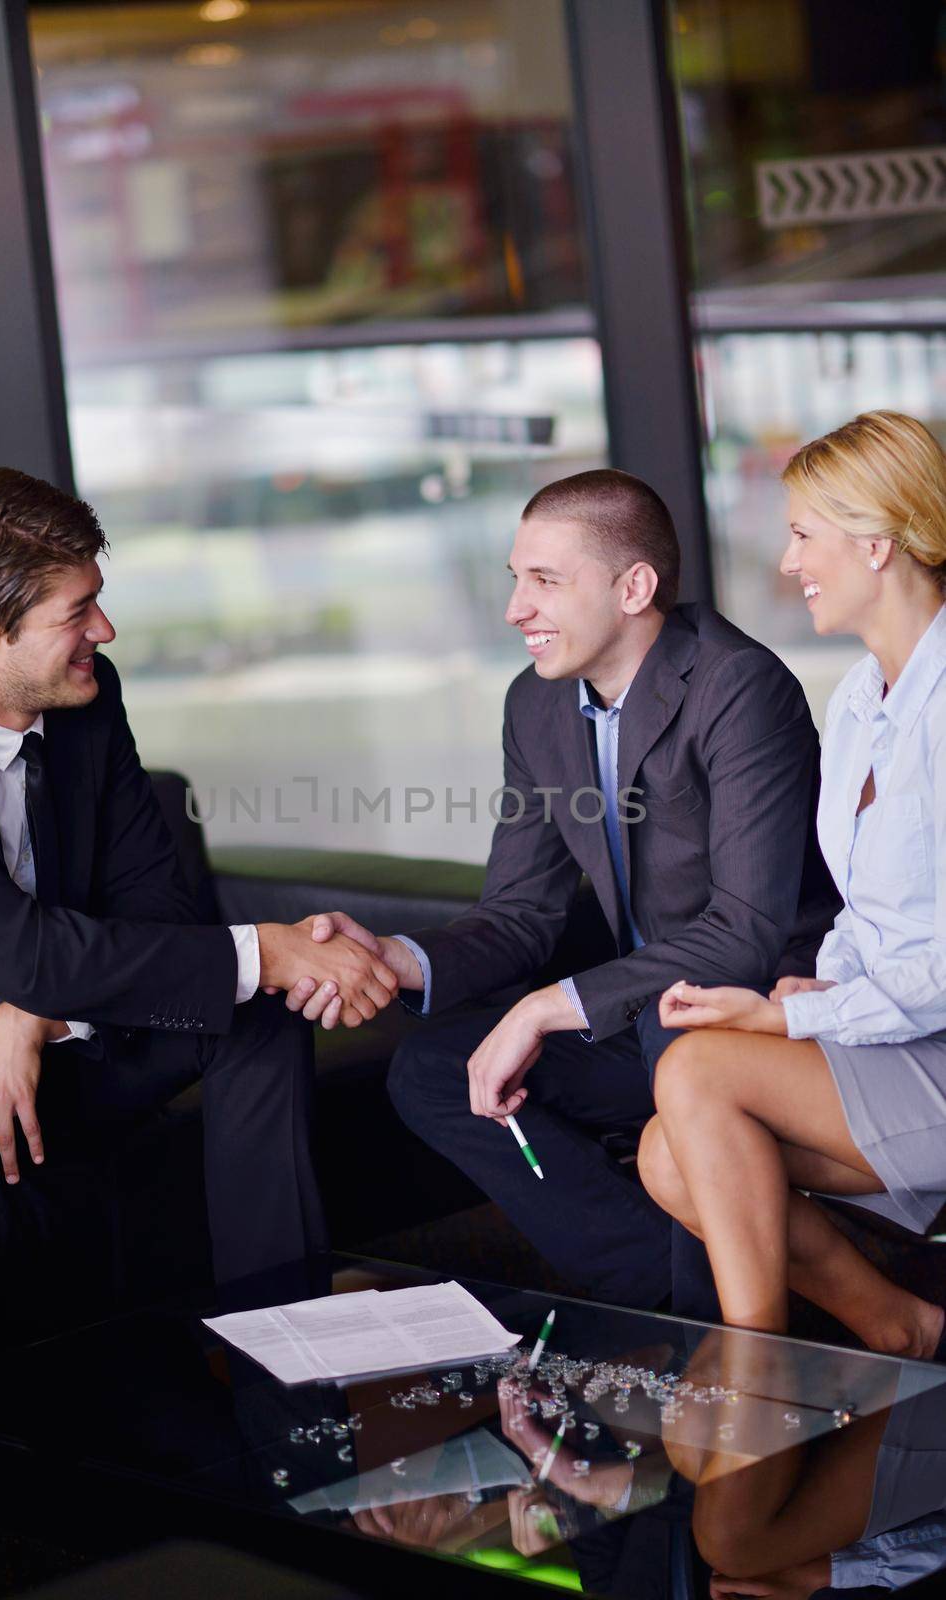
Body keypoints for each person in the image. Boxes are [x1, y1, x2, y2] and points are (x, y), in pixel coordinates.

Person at [0, 466, 398, 1379]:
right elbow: (24, 947)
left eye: (98, 602)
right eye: (76, 613)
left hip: (44, 1031)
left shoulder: (86, 698)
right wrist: (265, 949)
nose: (104, 632)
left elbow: (157, 902)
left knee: (257, 1020)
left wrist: (29, 1015)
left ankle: (286, 1349)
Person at [292, 468, 839, 1314]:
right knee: (434, 1071)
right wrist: (393, 956)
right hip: (647, 1005)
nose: (516, 608)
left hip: (763, 1007)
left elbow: (746, 930)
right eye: (516, 578)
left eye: (545, 580)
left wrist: (545, 1008)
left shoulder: (738, 685)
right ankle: (657, 1293)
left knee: (673, 1044)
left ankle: (731, 1331)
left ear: (634, 588)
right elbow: (521, 914)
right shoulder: (536, 706)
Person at [637, 410, 946, 1357]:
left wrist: (796, 1021)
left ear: (877, 540)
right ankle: (900, 1326)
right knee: (667, 1155)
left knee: (696, 1068)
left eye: (804, 533)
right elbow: (871, 907)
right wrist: (822, 984)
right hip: (899, 1029)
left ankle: (756, 1366)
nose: (786, 562)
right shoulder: (859, 700)